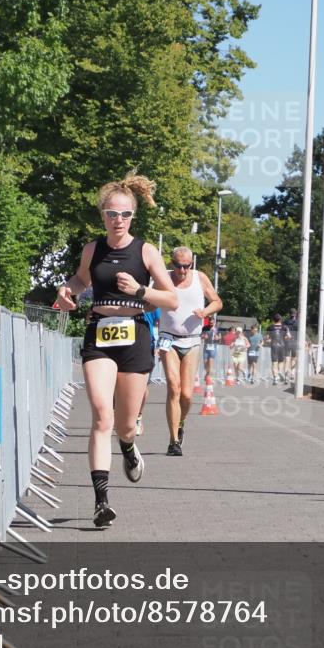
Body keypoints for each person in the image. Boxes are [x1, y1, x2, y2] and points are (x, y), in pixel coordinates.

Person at [56, 174, 178, 528]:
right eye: (112, 214)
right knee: (100, 415)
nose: (118, 220)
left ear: (133, 217)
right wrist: (69, 291)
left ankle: (127, 446)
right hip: (99, 334)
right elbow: (81, 280)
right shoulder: (93, 249)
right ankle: (101, 501)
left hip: (135, 335)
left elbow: (170, 298)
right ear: (103, 215)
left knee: (125, 425)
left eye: (125, 215)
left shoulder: (146, 251)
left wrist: (141, 291)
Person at [159, 246, 222, 457]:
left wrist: (205, 311)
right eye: (178, 266)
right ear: (172, 263)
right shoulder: (164, 278)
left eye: (186, 266)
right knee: (173, 387)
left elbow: (217, 301)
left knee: (186, 395)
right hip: (167, 339)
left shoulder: (200, 278)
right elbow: (149, 300)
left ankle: (180, 422)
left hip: (192, 341)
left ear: (191, 264)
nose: (182, 271)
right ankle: (173, 441)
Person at [135, 305, 162, 437]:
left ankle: (138, 417)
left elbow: (162, 322)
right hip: (122, 343)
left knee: (142, 386)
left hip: (146, 344)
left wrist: (161, 345)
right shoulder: (123, 295)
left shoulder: (152, 299)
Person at [266, 313, 291, 383]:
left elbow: (267, 339)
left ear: (273, 320)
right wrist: (283, 337)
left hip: (274, 346)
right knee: (281, 361)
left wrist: (269, 340)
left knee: (274, 362)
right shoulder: (285, 327)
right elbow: (289, 336)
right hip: (282, 345)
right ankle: (280, 372)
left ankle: (275, 378)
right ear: (280, 320)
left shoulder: (270, 327)